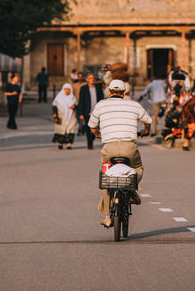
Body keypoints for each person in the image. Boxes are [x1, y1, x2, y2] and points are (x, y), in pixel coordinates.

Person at [88, 78, 152, 228]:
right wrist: (145, 131)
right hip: (129, 148)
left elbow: (92, 125)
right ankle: (131, 189)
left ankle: (107, 216)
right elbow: (148, 120)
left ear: (109, 92)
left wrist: (98, 134)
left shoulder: (101, 105)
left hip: (109, 149)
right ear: (124, 93)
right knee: (138, 168)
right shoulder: (133, 105)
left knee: (106, 177)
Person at [78, 73, 104, 149]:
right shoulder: (84, 88)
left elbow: (101, 99)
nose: (92, 80)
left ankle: (92, 137)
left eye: (93, 78)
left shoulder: (98, 88)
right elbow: (81, 101)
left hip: (96, 112)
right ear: (87, 80)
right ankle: (89, 143)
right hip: (87, 112)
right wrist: (81, 113)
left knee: (96, 127)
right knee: (88, 128)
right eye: (90, 78)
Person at [52, 83, 77, 150]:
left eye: (68, 89)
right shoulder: (58, 98)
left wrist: (74, 106)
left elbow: (77, 106)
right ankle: (60, 143)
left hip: (71, 116)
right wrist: (54, 114)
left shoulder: (73, 98)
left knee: (70, 129)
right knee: (61, 129)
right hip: (61, 116)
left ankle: (69, 144)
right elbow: (54, 106)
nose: (67, 91)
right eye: (65, 89)